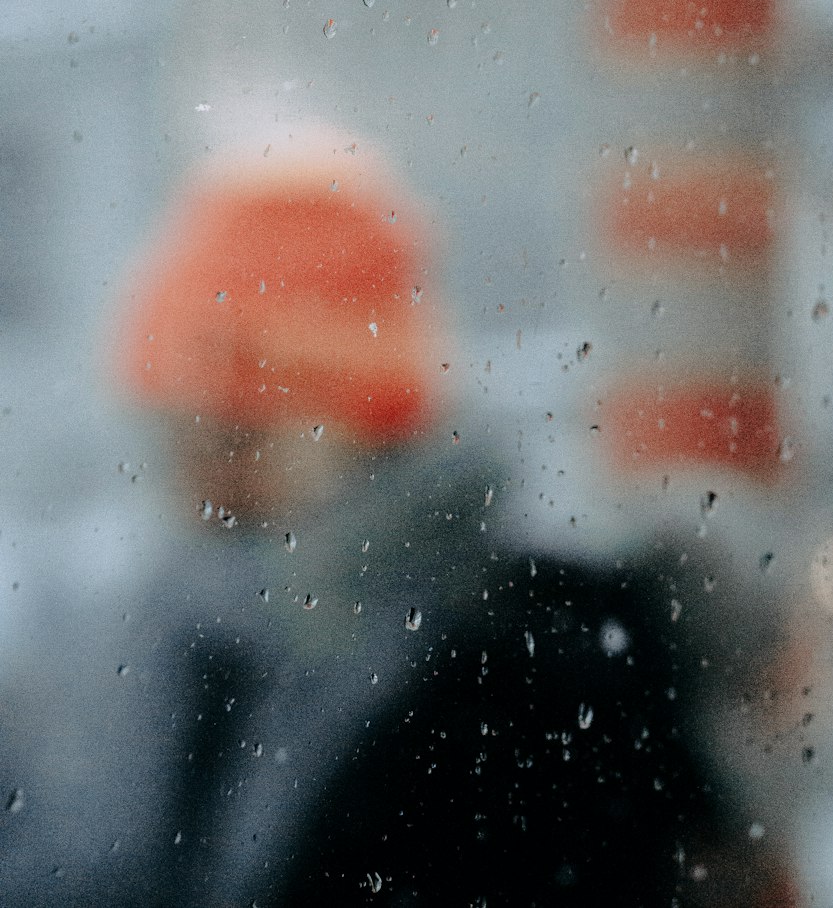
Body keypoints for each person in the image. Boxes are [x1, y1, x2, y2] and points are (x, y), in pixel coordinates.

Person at [93, 127, 741, 906]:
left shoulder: (537, 692)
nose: (205, 494)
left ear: (366, 424)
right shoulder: (202, 664)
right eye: (176, 436)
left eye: (239, 435)